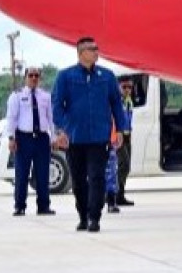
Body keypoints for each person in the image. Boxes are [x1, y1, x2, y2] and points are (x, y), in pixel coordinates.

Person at [51, 37, 129, 233]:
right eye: (92, 49)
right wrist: (60, 130)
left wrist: (120, 129)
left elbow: (116, 105)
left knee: (96, 177)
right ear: (81, 52)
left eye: (97, 48)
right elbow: (57, 106)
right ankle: (83, 216)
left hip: (99, 137)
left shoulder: (107, 76)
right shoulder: (65, 77)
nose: (96, 52)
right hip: (74, 138)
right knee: (78, 180)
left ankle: (94, 217)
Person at [7, 66, 55, 216]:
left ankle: (43, 206)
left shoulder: (46, 97)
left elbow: (51, 119)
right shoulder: (17, 96)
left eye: (36, 76)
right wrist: (11, 138)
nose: (34, 78)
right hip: (24, 138)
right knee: (22, 174)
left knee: (43, 173)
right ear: (25, 77)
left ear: (40, 78)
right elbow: (12, 118)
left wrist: (53, 138)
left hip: (41, 138)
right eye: (31, 75)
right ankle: (20, 206)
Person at [115, 76, 135, 207]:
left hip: (127, 135)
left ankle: (119, 194)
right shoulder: (116, 101)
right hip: (118, 136)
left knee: (126, 167)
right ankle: (115, 194)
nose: (127, 89)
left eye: (130, 87)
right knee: (124, 165)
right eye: (124, 87)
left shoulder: (128, 101)